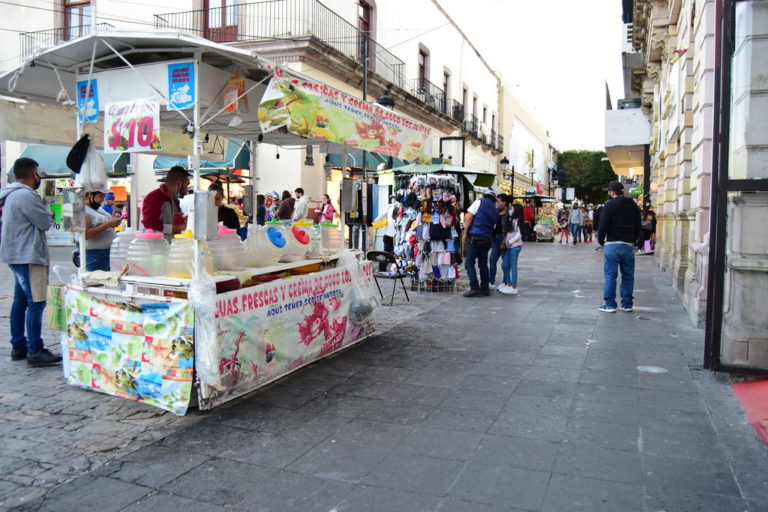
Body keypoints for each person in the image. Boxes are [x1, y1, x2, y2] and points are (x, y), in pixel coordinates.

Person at [0, 157, 61, 366]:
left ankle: (19, 345)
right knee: (36, 301)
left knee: (21, 301)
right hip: (28, 254)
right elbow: (44, 222)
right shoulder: (25, 195)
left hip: (17, 254)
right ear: (33, 173)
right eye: (38, 174)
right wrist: (49, 213)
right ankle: (35, 350)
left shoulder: (11, 194)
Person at [597, 181, 641, 313]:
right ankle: (627, 304)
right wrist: (633, 240)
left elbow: (603, 224)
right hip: (628, 245)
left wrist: (601, 240)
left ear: (612, 191)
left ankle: (610, 304)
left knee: (610, 275)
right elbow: (638, 225)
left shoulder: (609, 205)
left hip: (612, 244)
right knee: (628, 275)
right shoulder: (632, 205)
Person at [461, 191, 499, 297]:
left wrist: (465, 233)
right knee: (483, 264)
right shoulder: (495, 208)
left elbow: (469, 217)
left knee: (469, 263)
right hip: (487, 239)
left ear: (484, 196)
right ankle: (485, 288)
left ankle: (474, 288)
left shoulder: (479, 202)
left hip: (476, 237)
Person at [141, 166, 190, 242]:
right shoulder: (154, 197)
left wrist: (182, 220)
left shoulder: (174, 200)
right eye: (187, 185)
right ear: (179, 184)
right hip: (156, 247)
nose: (187, 189)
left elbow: (169, 221)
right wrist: (178, 227)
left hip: (170, 244)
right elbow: (149, 223)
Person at [84, 189, 121, 271]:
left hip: (107, 252)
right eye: (100, 196)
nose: (102, 199)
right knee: (96, 282)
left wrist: (113, 222)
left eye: (103, 196)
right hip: (95, 255)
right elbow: (86, 234)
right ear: (90, 195)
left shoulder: (98, 208)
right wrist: (108, 224)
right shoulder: (84, 210)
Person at [498, 200, 524, 295]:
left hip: (515, 246)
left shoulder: (517, 220)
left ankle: (514, 286)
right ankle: (508, 284)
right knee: (504, 264)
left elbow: (519, 234)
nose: (510, 209)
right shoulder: (512, 219)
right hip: (510, 246)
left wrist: (510, 241)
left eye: (512, 208)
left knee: (513, 265)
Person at [373, 195, 399, 271]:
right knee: (394, 252)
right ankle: (392, 268)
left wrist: (375, 222)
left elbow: (380, 216)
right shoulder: (396, 206)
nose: (392, 200)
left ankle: (382, 268)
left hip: (388, 235)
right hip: (395, 236)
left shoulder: (389, 207)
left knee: (386, 253)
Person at [489, 193, 509, 289]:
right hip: (496, 239)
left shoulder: (509, 213)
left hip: (504, 238)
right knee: (492, 260)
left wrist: (504, 241)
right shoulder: (495, 211)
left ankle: (505, 282)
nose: (497, 203)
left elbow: (510, 229)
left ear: (504, 202)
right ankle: (491, 282)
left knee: (505, 263)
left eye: (499, 201)